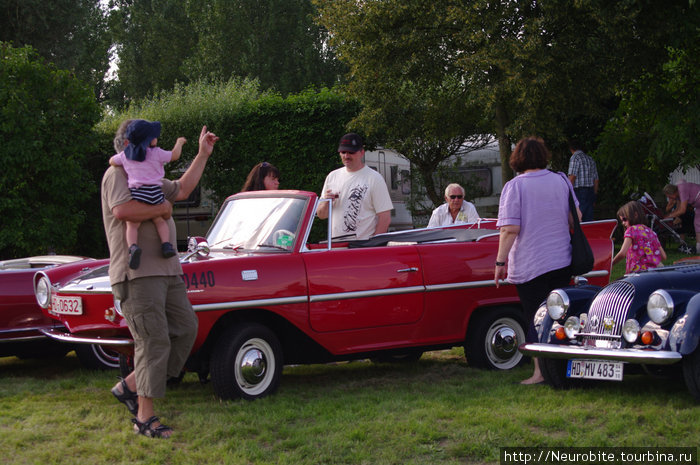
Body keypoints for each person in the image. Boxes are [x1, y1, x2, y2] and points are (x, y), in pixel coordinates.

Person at [105, 120, 219, 438]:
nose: (156, 147)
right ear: (132, 144)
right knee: (152, 341)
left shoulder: (152, 175)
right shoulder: (118, 173)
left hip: (169, 270)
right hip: (137, 274)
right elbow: (122, 210)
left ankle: (130, 386)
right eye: (151, 143)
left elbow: (182, 188)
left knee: (185, 330)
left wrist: (202, 154)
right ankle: (145, 418)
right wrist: (163, 209)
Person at [495, 137, 578, 385]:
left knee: (536, 317)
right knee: (559, 315)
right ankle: (562, 367)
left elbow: (509, 229)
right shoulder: (561, 180)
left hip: (531, 264)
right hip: (561, 259)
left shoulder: (515, 186)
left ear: (517, 158)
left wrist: (500, 263)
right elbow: (577, 217)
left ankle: (540, 372)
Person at [109, 120, 185, 269]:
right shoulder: (156, 153)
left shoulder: (125, 156)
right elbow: (175, 155)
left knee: (132, 225)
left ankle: (133, 247)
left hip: (139, 194)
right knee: (159, 220)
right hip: (156, 193)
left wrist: (119, 163)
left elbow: (112, 160)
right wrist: (180, 142)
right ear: (150, 140)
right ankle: (166, 245)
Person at [316, 133, 393, 240]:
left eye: (351, 152)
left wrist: (373, 245)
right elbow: (321, 215)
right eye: (343, 152)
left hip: (362, 249)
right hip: (336, 248)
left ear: (362, 152)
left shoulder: (374, 178)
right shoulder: (332, 176)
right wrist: (325, 202)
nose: (346, 156)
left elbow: (385, 218)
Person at [612, 201, 666, 273]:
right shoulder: (651, 232)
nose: (623, 223)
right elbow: (663, 256)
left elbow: (622, 253)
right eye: (622, 221)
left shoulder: (631, 230)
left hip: (637, 273)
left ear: (635, 215)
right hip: (654, 273)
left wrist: (611, 264)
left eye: (624, 219)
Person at [663, 182, 700, 253]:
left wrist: (669, 216)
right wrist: (669, 216)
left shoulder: (682, 191)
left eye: (670, 196)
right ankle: (698, 248)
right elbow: (677, 209)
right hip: (698, 206)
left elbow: (682, 210)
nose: (669, 199)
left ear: (673, 192)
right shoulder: (678, 195)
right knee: (697, 225)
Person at [567, 140, 599, 222]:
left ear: (571, 149)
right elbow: (596, 180)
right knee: (588, 221)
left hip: (579, 192)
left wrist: (568, 192)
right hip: (590, 191)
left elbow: (572, 177)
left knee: (578, 219)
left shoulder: (575, 158)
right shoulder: (590, 159)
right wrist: (594, 195)